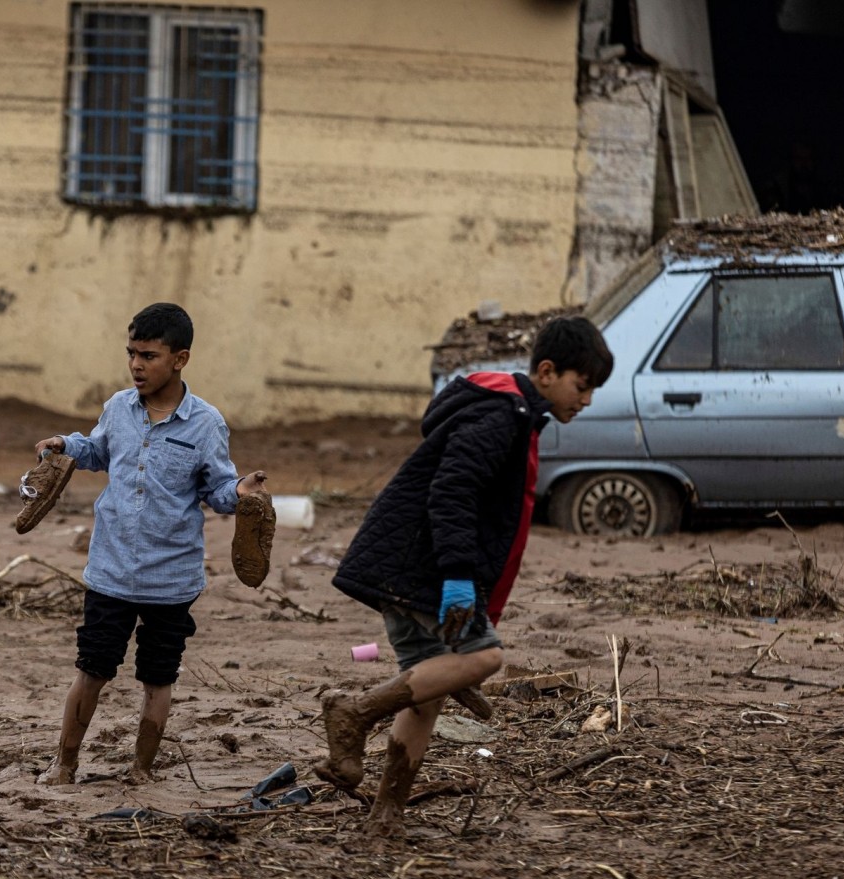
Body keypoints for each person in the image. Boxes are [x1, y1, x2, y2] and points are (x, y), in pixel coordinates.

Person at [315, 315, 613, 837]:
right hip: (425, 568)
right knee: (487, 657)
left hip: (417, 566)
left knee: (425, 696)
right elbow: (453, 492)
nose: (585, 400)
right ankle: (356, 713)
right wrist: (455, 576)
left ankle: (386, 814)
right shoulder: (501, 417)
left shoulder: (516, 415)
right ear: (546, 371)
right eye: (581, 386)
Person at [35, 302, 268, 786]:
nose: (137, 365)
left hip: (172, 580)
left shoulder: (207, 424)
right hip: (111, 573)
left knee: (158, 678)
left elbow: (218, 491)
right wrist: (65, 445)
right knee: (92, 669)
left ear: (180, 359)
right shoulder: (118, 408)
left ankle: (140, 770)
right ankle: (64, 766)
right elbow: (97, 450)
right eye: (131, 354)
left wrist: (241, 494)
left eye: (149, 355)